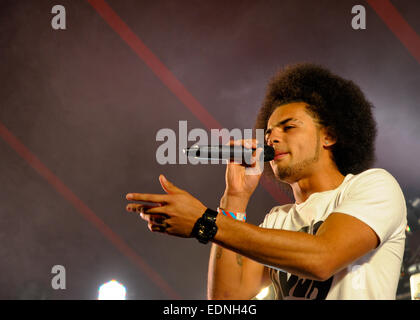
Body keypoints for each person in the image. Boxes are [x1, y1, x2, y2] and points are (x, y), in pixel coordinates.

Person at [125, 63, 407, 300]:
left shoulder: (373, 186)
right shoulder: (276, 219)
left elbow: (323, 258)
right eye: (268, 132)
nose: (271, 138)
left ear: (329, 136)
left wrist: (204, 221)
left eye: (289, 127)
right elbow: (226, 299)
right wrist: (234, 199)